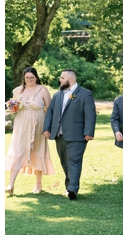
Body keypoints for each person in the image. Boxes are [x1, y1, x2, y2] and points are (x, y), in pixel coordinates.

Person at [42, 69, 97, 200]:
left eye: (62, 78)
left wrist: (89, 132)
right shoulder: (57, 95)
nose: (60, 80)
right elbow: (50, 112)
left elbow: (90, 115)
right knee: (65, 162)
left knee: (74, 161)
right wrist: (46, 128)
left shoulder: (85, 94)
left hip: (77, 135)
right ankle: (69, 187)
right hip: (59, 135)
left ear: (70, 79)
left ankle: (73, 189)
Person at [5, 66, 54, 195]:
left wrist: (48, 127)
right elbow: (12, 109)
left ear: (36, 77)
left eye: (32, 77)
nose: (29, 80)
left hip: (38, 125)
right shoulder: (18, 91)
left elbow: (49, 109)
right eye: (27, 78)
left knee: (37, 150)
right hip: (21, 125)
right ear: (24, 78)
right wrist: (13, 108)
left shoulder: (42, 90)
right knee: (18, 149)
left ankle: (38, 185)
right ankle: (11, 184)